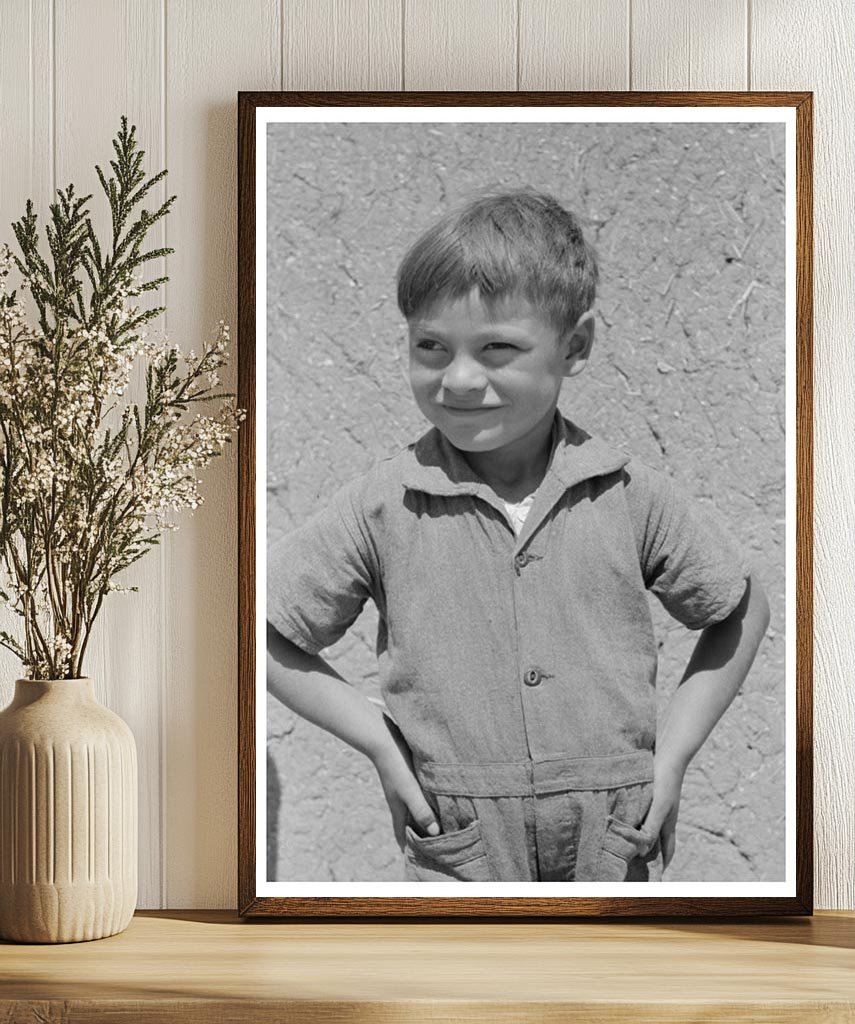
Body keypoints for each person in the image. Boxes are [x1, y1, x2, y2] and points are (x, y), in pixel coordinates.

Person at [266, 188, 771, 882]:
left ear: (577, 346)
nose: (461, 379)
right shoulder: (383, 505)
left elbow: (740, 608)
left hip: (614, 834)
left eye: (498, 348)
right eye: (432, 347)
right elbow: (258, 630)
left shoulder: (626, 493)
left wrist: (674, 754)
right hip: (459, 836)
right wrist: (381, 742)